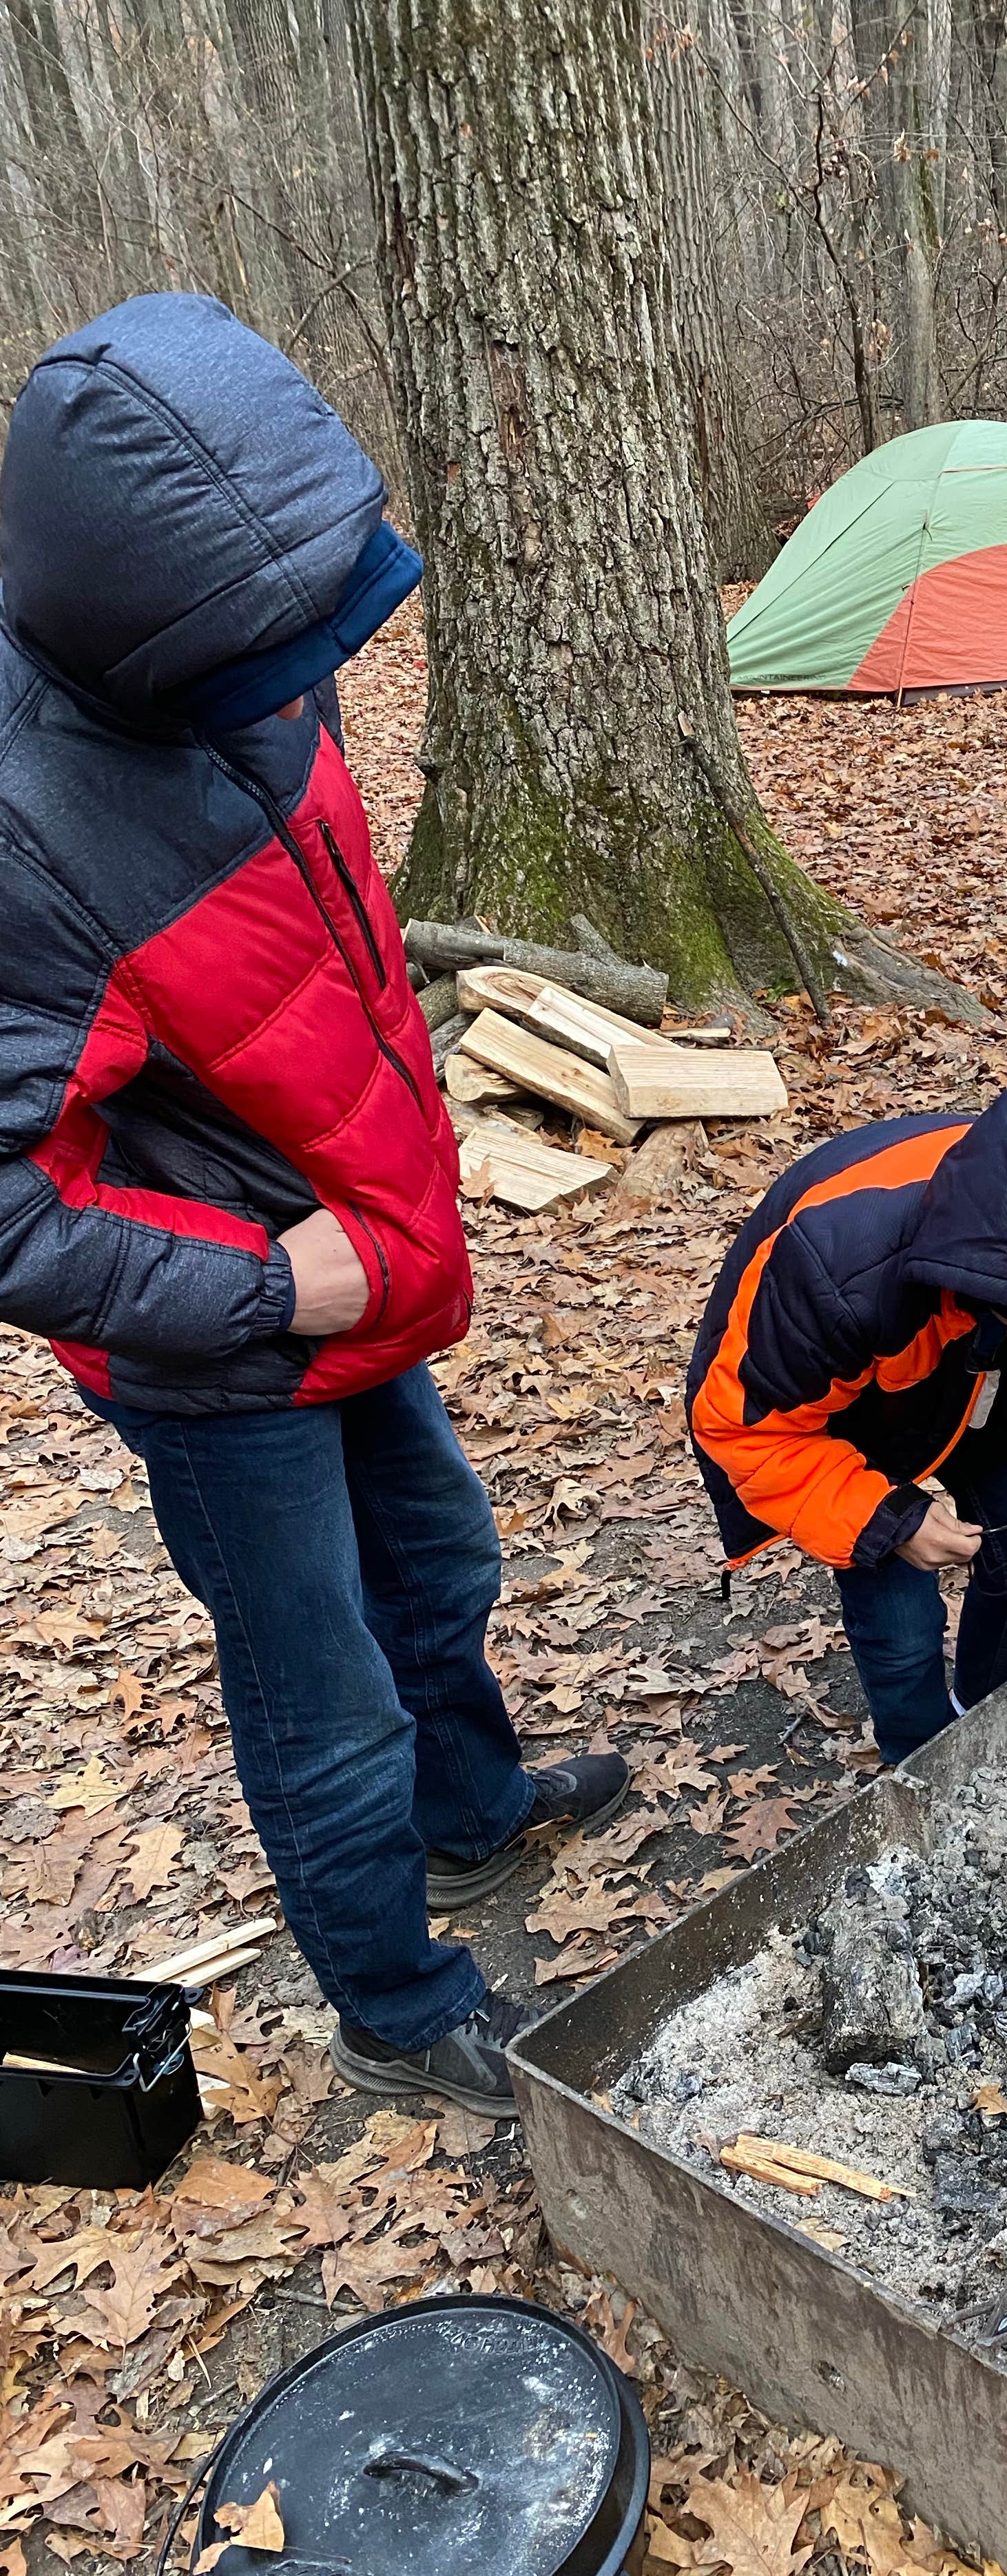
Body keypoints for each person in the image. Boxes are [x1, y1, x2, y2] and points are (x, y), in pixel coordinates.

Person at [0, 295, 626, 2118]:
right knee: (318, 1688)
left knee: (439, 1568)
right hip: (230, 1352)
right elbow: (14, 1215)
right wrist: (277, 1281)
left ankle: (476, 1818)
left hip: (358, 1283)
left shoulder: (252, 643)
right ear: (150, 639)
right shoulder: (33, 835)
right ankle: (393, 2004)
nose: (308, 678)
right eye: (273, 648)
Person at [686, 1071, 1007, 1759]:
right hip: (848, 1416)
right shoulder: (836, 1263)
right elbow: (746, 1426)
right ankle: (920, 1759)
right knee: (898, 1615)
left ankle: (990, 1714)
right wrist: (890, 1520)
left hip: (992, 1388)